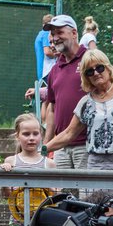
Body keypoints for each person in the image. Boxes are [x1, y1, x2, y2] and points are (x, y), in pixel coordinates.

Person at [44, 48, 113, 172]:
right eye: (89, 72)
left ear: (108, 68)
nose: (96, 73)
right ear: (86, 77)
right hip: (96, 164)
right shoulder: (86, 102)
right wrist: (42, 150)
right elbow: (68, 134)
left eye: (100, 68)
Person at [41, 15, 90, 171]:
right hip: (60, 147)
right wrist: (47, 144)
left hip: (87, 145)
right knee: (62, 195)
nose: (55, 38)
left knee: (87, 194)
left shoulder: (91, 60)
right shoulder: (55, 69)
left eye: (60, 32)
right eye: (53, 34)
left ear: (74, 33)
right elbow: (51, 108)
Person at [34, 14, 56, 79]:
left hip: (43, 72)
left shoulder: (40, 34)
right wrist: (59, 55)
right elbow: (47, 52)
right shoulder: (46, 33)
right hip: (47, 71)